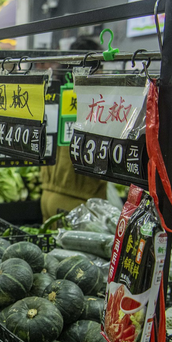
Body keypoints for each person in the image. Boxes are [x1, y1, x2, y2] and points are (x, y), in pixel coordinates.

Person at [40, 36, 107, 220]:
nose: (102, 73)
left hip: (48, 195)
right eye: (100, 68)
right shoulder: (91, 104)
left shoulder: (58, 97)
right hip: (77, 201)